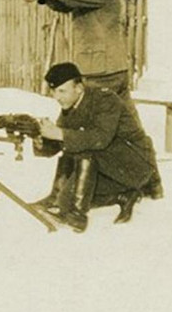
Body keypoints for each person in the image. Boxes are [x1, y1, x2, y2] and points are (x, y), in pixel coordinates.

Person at [31, 61, 162, 232]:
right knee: (66, 197)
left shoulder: (104, 100)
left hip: (135, 164)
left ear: (78, 88)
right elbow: (63, 142)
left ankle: (77, 215)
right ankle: (57, 199)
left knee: (85, 146)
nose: (57, 97)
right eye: (54, 91)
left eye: (62, 91)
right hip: (107, 167)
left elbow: (100, 139)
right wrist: (42, 141)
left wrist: (59, 134)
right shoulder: (71, 105)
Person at [24, 0, 133, 101]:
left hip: (102, 72)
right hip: (108, 69)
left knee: (94, 119)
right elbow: (66, 5)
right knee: (126, 123)